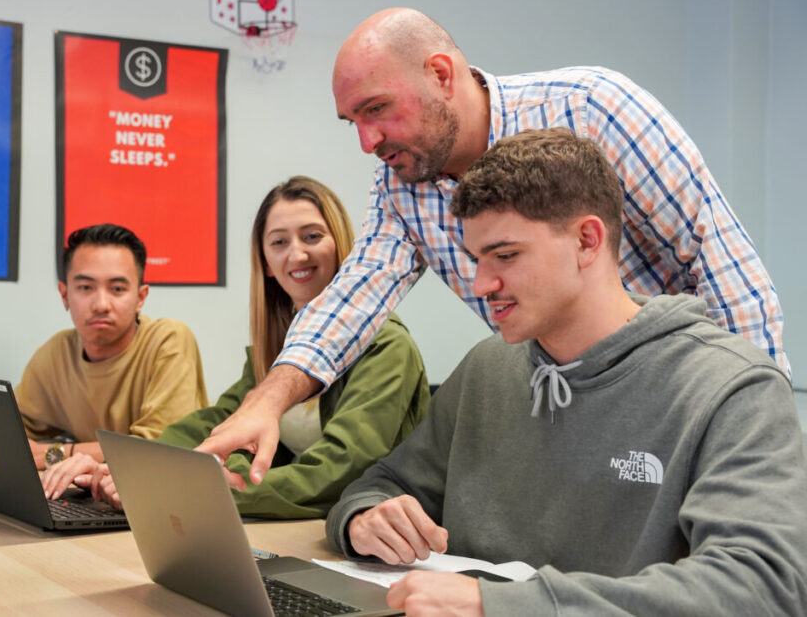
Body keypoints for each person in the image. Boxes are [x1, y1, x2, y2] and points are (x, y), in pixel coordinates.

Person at [197, 7, 788, 491]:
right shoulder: (405, 186)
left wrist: (759, 441)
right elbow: (351, 298)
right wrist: (268, 400)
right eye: (350, 120)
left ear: (441, 75)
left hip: (678, 406)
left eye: (376, 109)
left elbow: (722, 266)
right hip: (568, 416)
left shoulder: (592, 109)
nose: (366, 141)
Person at [324, 129, 807, 616]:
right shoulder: (486, 369)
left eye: (506, 255)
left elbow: (763, 587)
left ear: (587, 241)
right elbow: (383, 483)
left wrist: (502, 607)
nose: (481, 283)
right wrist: (364, 518)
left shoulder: (733, 389)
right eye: (477, 259)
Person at [42, 177, 432, 514]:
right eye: (278, 242)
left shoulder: (386, 345)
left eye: (312, 236)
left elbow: (335, 473)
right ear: (264, 261)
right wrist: (127, 468)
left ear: (342, 246)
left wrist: (185, 488)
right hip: (300, 529)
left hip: (370, 536)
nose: (297, 254)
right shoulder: (279, 348)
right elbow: (216, 423)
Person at [17, 223, 207, 471]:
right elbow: (9, 428)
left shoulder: (168, 341)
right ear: (65, 295)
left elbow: (160, 450)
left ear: (140, 298)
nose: (101, 304)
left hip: (168, 492)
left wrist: (55, 453)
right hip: (96, 493)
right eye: (85, 288)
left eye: (117, 289)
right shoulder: (56, 352)